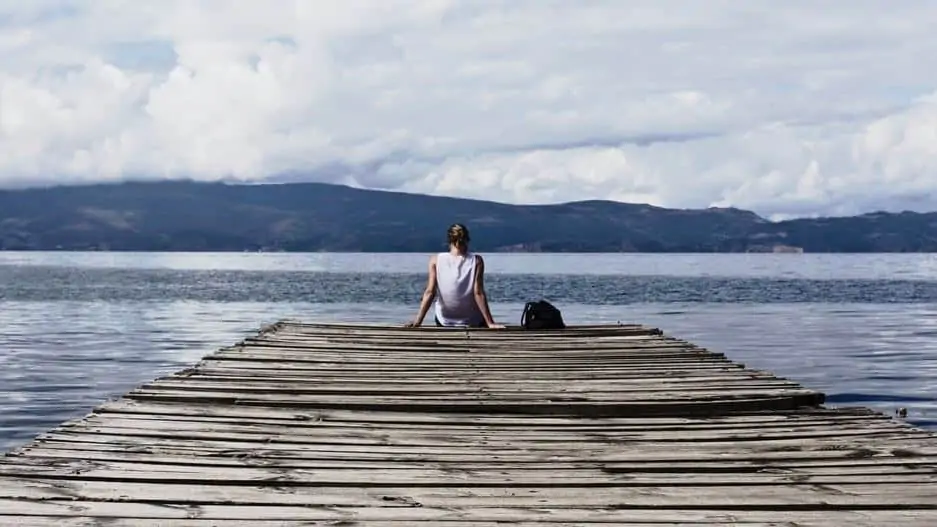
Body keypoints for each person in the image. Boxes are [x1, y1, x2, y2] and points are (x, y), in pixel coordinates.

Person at [405, 223, 504, 328]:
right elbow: (478, 293)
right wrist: (490, 323)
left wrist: (418, 321)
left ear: (449, 240)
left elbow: (430, 292)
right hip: (472, 320)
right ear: (467, 240)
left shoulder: (436, 260)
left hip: (444, 320)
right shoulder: (476, 260)